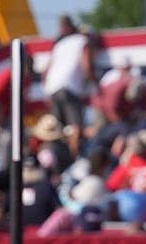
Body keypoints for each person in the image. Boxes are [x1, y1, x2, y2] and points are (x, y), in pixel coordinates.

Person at [42, 16, 96, 156]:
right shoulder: (83, 41)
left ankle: (58, 161)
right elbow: (87, 66)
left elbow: (46, 71)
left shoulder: (60, 44)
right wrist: (94, 83)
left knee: (58, 130)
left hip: (52, 88)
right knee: (75, 127)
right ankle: (75, 158)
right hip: (68, 87)